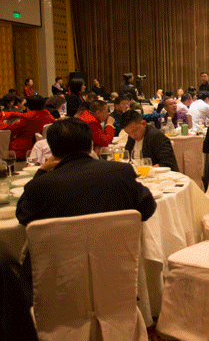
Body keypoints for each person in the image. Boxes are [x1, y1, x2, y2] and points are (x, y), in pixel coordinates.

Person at [15, 118, 157, 297]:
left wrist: (42, 170)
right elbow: (147, 207)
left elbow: (23, 215)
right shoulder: (119, 172)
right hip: (115, 279)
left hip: (59, 288)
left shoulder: (40, 186)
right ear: (91, 144)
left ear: (52, 150)